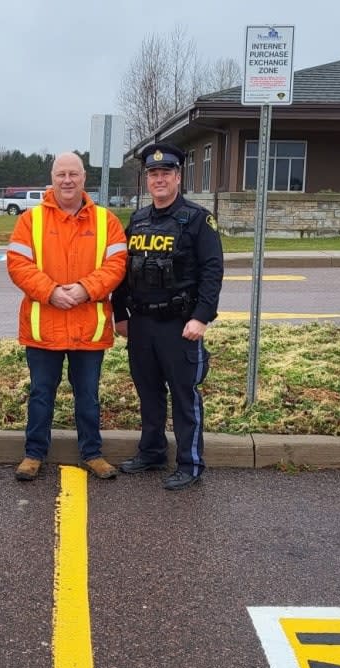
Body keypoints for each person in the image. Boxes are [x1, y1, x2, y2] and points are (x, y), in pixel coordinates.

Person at [6, 151, 127, 482]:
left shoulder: (107, 221)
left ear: (84, 177)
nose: (67, 180)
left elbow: (116, 266)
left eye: (73, 174)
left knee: (88, 395)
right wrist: (51, 292)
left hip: (88, 326)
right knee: (41, 394)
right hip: (44, 325)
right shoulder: (31, 220)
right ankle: (33, 454)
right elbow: (18, 265)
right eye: (61, 174)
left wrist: (86, 289)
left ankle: (93, 453)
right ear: (53, 177)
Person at [111, 143, 223, 491]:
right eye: (153, 174)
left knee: (184, 394)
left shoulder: (197, 219)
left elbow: (212, 270)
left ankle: (190, 463)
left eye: (166, 173)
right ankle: (153, 451)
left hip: (180, 324)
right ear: (147, 180)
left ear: (178, 177)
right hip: (142, 323)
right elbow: (124, 270)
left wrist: (202, 317)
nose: (159, 179)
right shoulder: (139, 220)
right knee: (149, 392)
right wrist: (120, 313)